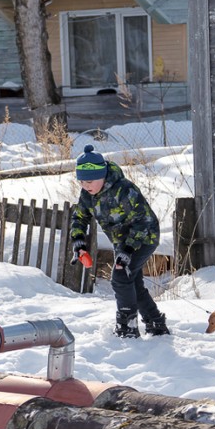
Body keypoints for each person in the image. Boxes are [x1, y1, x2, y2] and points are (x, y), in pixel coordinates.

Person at [70, 144, 170, 338]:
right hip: (122, 243)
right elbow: (79, 217)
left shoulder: (124, 190)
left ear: (103, 175)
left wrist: (128, 250)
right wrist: (79, 242)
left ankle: (127, 326)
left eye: (90, 181)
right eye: (81, 181)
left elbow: (144, 221)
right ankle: (156, 324)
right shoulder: (87, 195)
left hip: (143, 238)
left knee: (121, 278)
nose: (86, 185)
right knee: (133, 282)